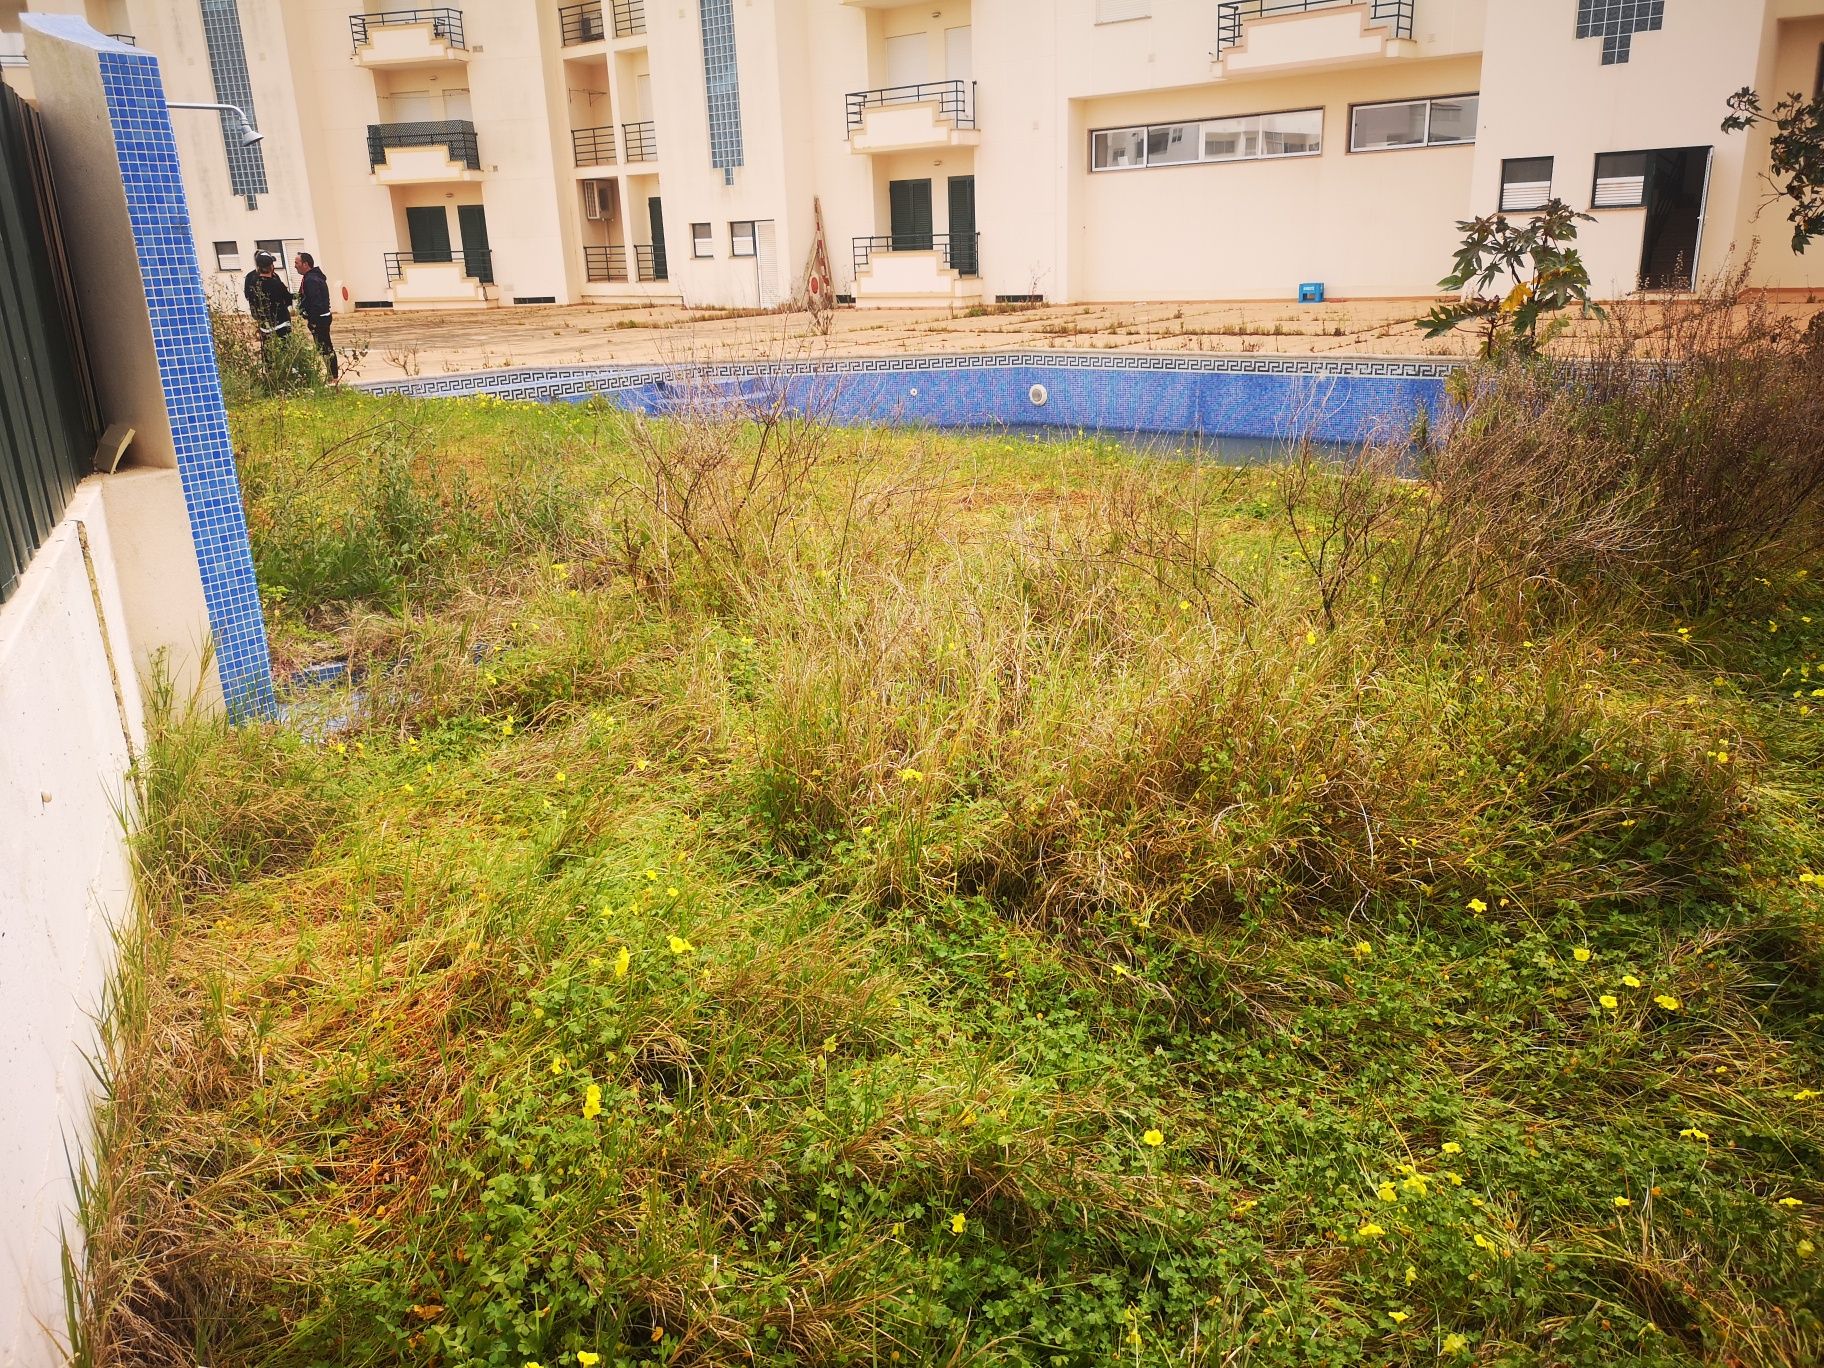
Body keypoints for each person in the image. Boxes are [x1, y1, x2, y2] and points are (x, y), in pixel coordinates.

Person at [294, 250, 339, 381]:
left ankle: (333, 376)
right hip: (320, 317)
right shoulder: (310, 277)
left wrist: (312, 319)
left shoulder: (311, 279)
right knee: (323, 348)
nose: (295, 265)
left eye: (297, 263)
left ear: (305, 264)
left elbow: (316, 302)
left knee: (326, 347)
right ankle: (331, 375)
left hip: (319, 319)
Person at [242, 250, 294, 357]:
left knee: (269, 354)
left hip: (265, 324)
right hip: (280, 323)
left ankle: (270, 372)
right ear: (270, 266)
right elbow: (288, 299)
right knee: (286, 353)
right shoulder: (275, 283)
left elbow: (250, 297)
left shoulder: (254, 284)